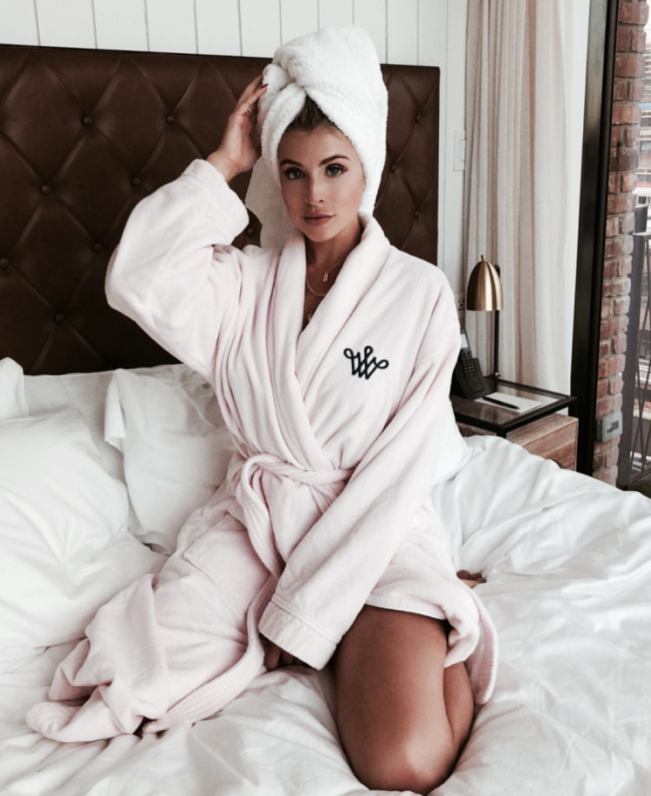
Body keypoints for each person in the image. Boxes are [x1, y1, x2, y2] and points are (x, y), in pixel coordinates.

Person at [27, 26, 497, 794]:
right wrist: (223, 164)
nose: (315, 196)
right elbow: (137, 278)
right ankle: (382, 630)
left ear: (367, 165)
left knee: (403, 761)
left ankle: (438, 609)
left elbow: (398, 470)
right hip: (258, 525)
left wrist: (304, 612)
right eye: (293, 171)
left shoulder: (416, 294)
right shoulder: (244, 282)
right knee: (126, 676)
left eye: (335, 169)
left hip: (370, 529)